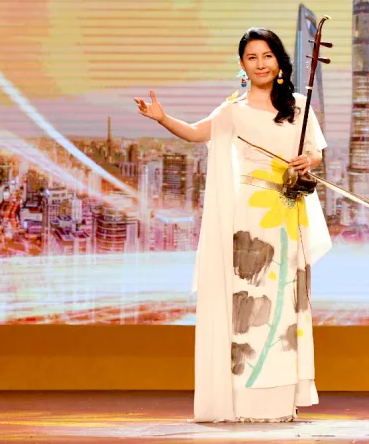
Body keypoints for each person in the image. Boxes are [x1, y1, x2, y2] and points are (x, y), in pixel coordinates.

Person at [135, 27, 331, 423]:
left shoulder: (299, 106)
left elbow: (316, 155)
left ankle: (279, 401)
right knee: (248, 300)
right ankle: (245, 398)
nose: (260, 64)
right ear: (242, 65)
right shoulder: (232, 110)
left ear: (279, 62)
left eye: (267, 56)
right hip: (248, 216)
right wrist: (162, 118)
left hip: (287, 213)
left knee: (284, 303)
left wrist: (306, 162)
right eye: (251, 57)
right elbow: (196, 133)